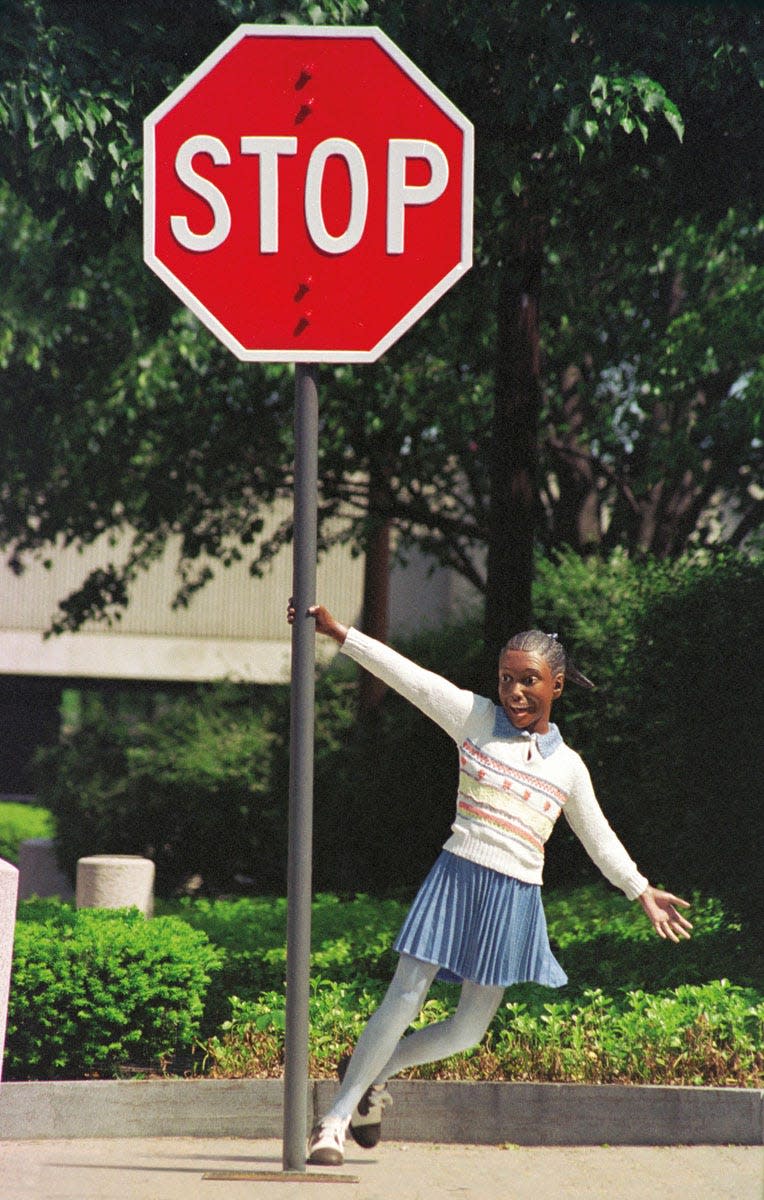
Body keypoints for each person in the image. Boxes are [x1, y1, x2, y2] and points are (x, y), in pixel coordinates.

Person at [286, 602, 692, 1166]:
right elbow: (413, 680)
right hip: (457, 875)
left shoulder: (569, 767)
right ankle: (333, 1121)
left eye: (529, 681)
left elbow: (598, 836)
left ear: (556, 685)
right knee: (406, 995)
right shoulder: (474, 718)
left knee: (466, 1032)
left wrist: (639, 888)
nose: (515, 692)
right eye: (506, 679)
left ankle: (373, 1072)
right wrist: (341, 635)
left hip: (516, 896)